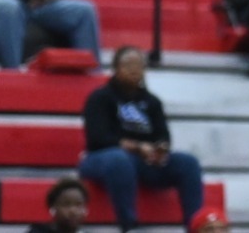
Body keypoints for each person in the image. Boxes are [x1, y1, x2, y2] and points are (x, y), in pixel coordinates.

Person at [78, 46, 205, 233]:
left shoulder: (153, 101)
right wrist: (138, 147)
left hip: (143, 162)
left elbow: (164, 137)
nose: (134, 69)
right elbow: (98, 139)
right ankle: (129, 226)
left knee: (188, 162)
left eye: (139, 65)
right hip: (100, 159)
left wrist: (160, 150)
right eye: (128, 65)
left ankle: (196, 226)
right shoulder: (100, 98)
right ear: (115, 67)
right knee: (120, 160)